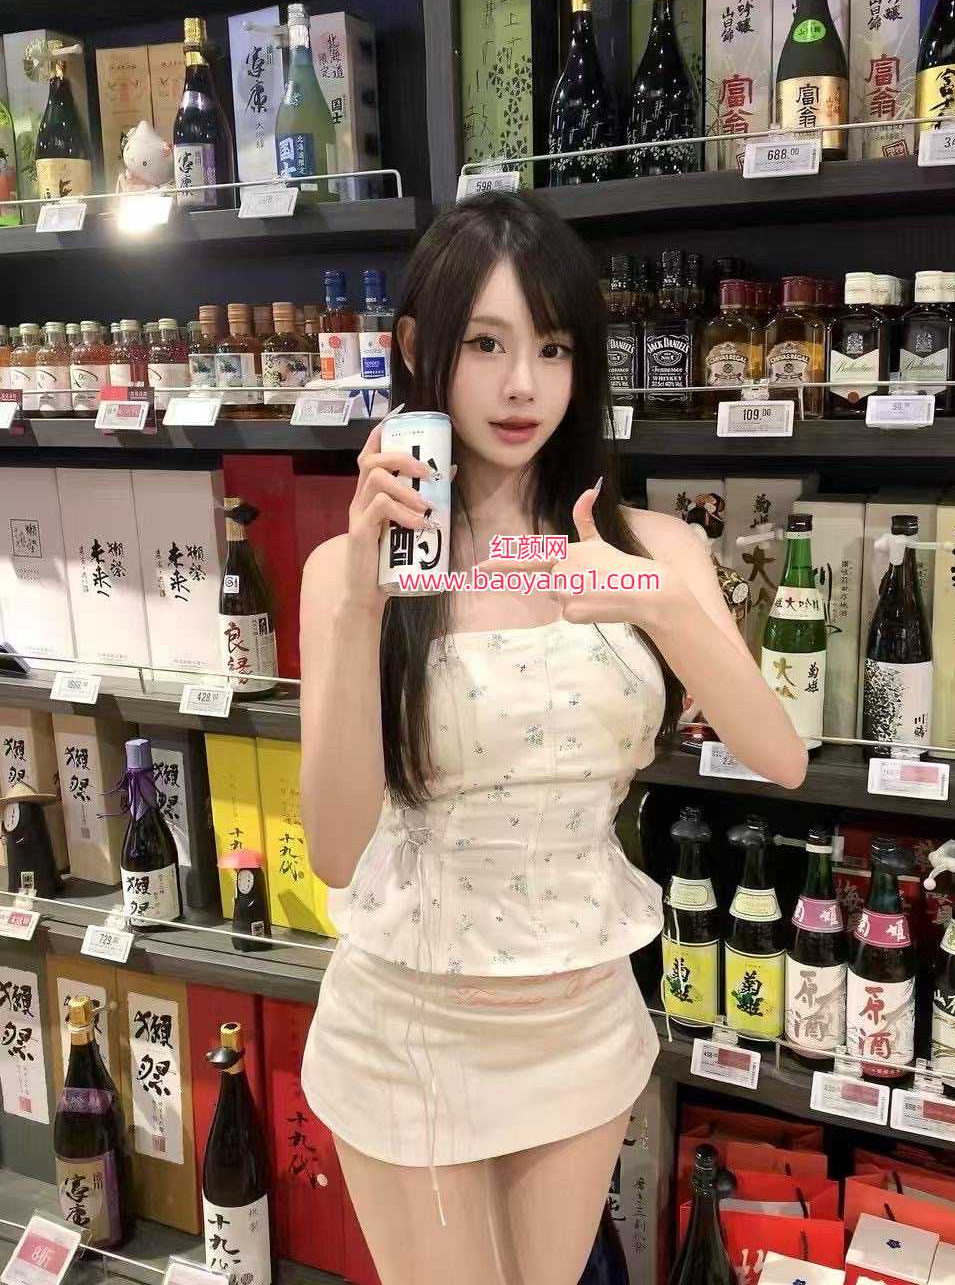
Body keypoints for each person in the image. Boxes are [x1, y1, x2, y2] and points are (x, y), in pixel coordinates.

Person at [298, 192, 807, 1285]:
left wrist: (655, 600)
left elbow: (781, 756)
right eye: (486, 344)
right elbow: (335, 852)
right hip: (411, 1022)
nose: (523, 384)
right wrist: (361, 603)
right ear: (417, 350)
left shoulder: (653, 546)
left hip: (581, 1014)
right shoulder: (348, 572)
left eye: (554, 347)